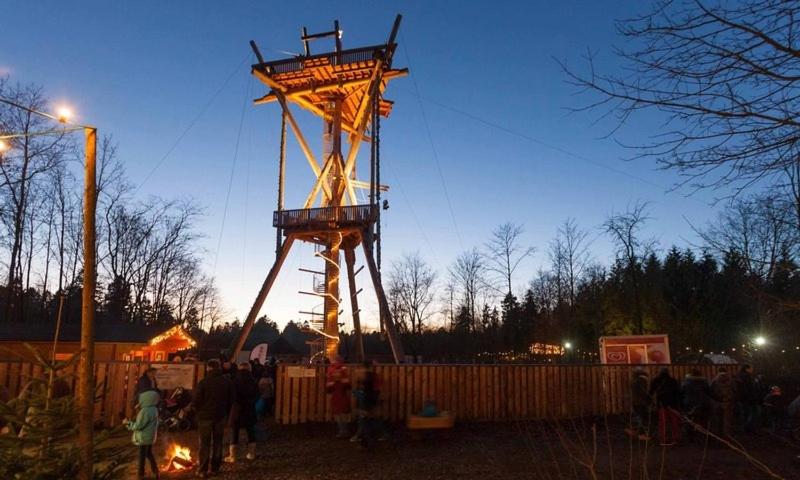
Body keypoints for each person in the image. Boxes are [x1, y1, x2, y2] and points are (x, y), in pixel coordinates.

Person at [193, 359, 234, 478]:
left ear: (209, 368)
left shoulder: (204, 382)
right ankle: (215, 468)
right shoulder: (227, 382)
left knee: (204, 443)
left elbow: (197, 400)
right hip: (220, 416)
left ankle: (202, 470)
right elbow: (232, 400)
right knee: (218, 442)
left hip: (205, 417)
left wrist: (197, 411)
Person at [225, 362, 259, 463]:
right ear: (249, 369)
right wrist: (251, 402)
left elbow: (230, 396)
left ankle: (233, 456)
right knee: (250, 431)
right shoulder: (253, 381)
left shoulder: (234, 380)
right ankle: (251, 454)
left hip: (237, 409)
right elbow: (257, 395)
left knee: (235, 432)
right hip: (249, 408)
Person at [127, 390, 160, 480]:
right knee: (149, 453)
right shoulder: (154, 409)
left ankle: (140, 474)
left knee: (142, 456)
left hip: (143, 437)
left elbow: (138, 426)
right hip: (150, 436)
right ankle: (155, 471)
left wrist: (128, 424)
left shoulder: (144, 411)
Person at [649, 367, 680, 446]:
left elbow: (651, 392)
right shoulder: (673, 381)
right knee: (674, 422)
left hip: (662, 404)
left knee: (663, 422)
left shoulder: (656, 381)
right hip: (673, 405)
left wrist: (650, 402)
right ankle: (675, 439)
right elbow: (678, 393)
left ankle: (663, 439)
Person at [682, 368, 714, 441]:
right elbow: (709, 392)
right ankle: (703, 435)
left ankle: (690, 436)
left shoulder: (686, 382)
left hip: (689, 404)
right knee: (703, 420)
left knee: (690, 420)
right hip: (702, 403)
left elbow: (682, 392)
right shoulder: (704, 382)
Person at [326, 356, 352, 438]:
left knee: (341, 416)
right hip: (339, 398)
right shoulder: (342, 379)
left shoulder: (336, 381)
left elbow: (329, 389)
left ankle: (343, 431)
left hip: (340, 398)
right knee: (340, 416)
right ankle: (343, 431)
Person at [626, 367, 651, 441]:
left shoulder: (633, 380)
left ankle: (633, 430)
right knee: (642, 417)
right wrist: (649, 399)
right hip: (641, 402)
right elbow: (643, 392)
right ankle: (641, 434)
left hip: (635, 401)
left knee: (637, 416)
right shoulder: (642, 380)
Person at [710, 367, 736, 436]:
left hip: (718, 402)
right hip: (728, 402)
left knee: (718, 418)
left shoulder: (714, 380)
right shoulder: (731, 380)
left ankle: (718, 434)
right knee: (727, 419)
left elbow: (711, 392)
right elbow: (735, 391)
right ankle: (727, 434)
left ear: (718, 371)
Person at [734, 364, 757, 433]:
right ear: (747, 369)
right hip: (747, 398)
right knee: (749, 414)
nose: (752, 370)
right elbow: (750, 388)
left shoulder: (739, 376)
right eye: (751, 368)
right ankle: (747, 429)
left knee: (743, 414)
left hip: (740, 398)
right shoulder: (747, 376)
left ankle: (742, 429)